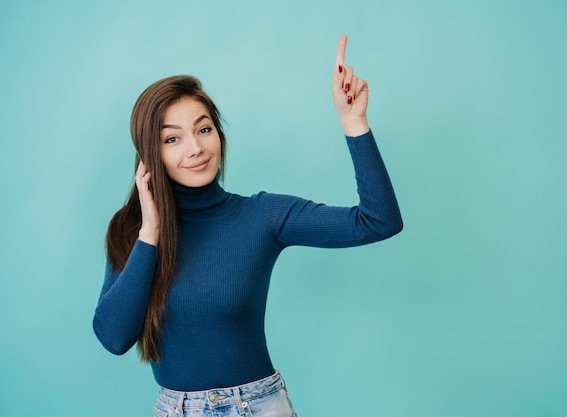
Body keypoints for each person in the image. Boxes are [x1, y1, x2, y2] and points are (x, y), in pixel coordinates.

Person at [93, 35, 403, 417]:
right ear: (149, 154)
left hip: (257, 407)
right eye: (172, 138)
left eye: (204, 129)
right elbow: (114, 337)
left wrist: (354, 123)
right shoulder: (131, 232)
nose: (195, 148)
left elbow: (378, 221)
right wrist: (150, 236)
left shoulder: (262, 216)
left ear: (218, 135)